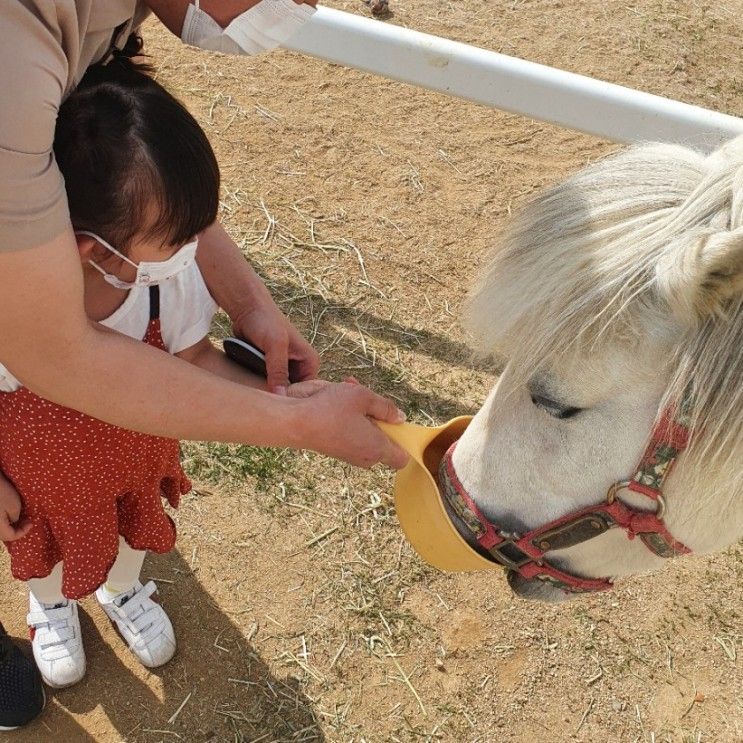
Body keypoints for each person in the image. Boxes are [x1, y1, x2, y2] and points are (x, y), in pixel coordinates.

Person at [0, 0, 407, 727]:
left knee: (128, 532)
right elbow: (55, 353)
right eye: (175, 242)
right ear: (94, 249)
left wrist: (277, 375)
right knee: (47, 544)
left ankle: (124, 589)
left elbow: (190, 351)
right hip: (35, 471)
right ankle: (50, 606)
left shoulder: (156, 273)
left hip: (127, 452)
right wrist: (300, 426)